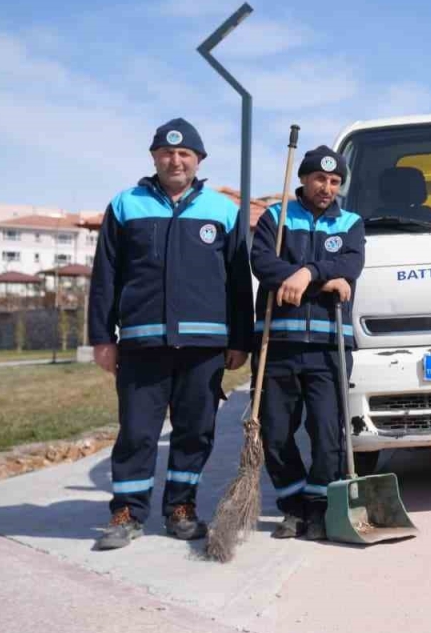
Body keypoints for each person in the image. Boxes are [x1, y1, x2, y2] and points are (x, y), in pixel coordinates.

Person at [88, 118, 254, 551]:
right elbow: (105, 276)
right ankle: (126, 512)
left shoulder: (222, 210)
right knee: (137, 432)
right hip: (143, 344)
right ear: (154, 157)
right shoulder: (126, 205)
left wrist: (241, 339)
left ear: (198, 160)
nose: (174, 159)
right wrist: (102, 337)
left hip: (205, 347)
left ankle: (181, 508)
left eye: (184, 154)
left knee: (194, 431)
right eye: (166, 152)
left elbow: (239, 279)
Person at [250, 145, 364, 541]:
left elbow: (350, 267)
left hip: (330, 344)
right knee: (276, 432)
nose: (327, 188)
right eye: (320, 179)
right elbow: (262, 263)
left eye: (335, 182)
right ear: (303, 178)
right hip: (278, 341)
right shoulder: (276, 218)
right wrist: (317, 279)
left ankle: (318, 508)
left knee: (328, 432)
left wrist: (306, 273)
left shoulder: (350, 222)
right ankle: (293, 507)